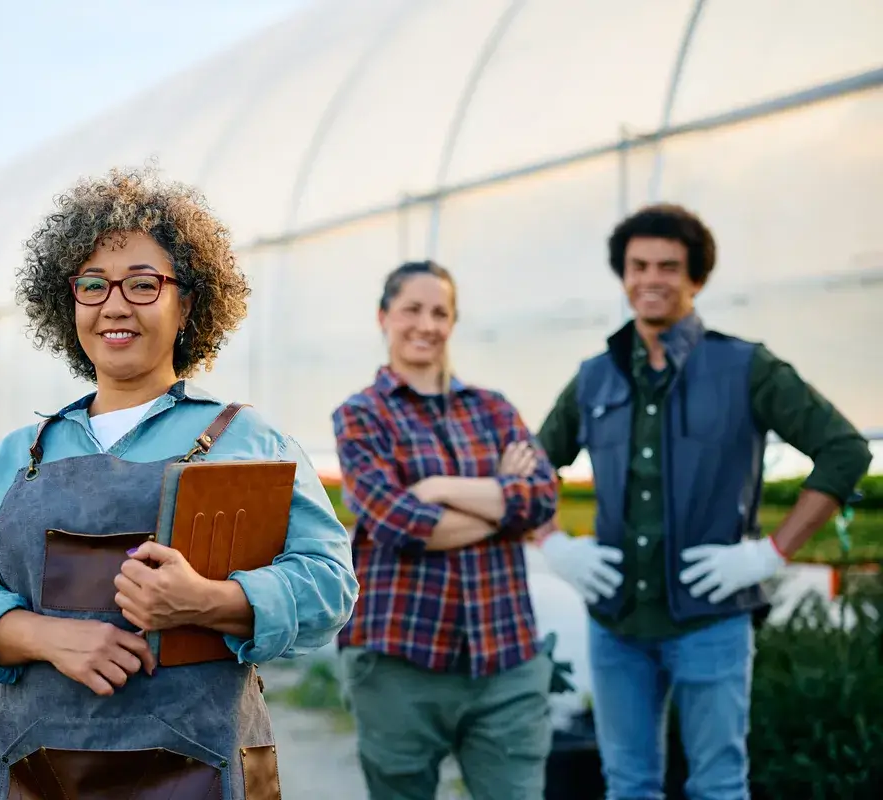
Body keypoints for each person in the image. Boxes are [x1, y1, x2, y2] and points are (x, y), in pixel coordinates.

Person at [0, 166, 358, 799]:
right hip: (42, 774)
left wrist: (208, 601)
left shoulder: (246, 440)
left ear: (188, 304)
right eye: (93, 285)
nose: (115, 305)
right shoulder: (17, 455)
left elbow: (329, 585)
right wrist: (47, 636)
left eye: (144, 284)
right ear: (67, 303)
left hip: (203, 769)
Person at [536, 203, 873, 800]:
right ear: (624, 275)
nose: (651, 278)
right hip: (616, 623)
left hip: (711, 622)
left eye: (669, 266)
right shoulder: (595, 377)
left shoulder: (747, 367)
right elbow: (530, 468)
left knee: (718, 784)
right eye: (638, 265)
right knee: (628, 785)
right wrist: (553, 544)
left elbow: (845, 450)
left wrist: (770, 554)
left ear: (696, 278)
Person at [332, 260, 560, 800]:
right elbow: (395, 522)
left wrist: (436, 487)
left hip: (506, 657)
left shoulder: (494, 408)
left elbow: (543, 497)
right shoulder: (362, 416)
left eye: (440, 312)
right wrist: (502, 500)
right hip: (400, 662)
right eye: (412, 309)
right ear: (384, 317)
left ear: (453, 323)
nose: (426, 324)